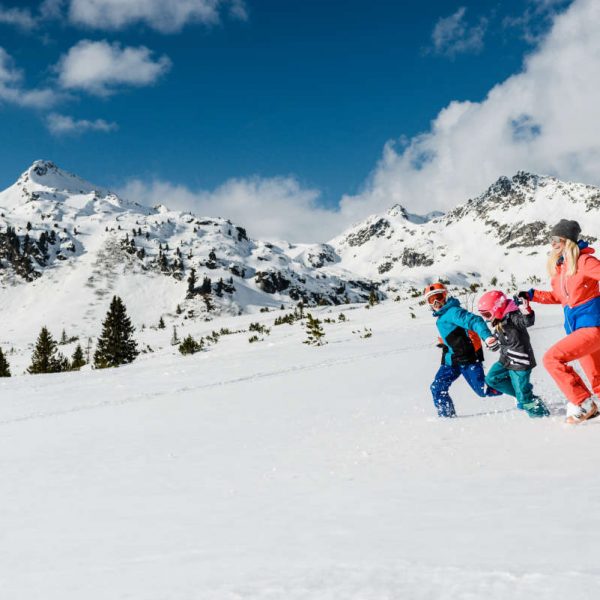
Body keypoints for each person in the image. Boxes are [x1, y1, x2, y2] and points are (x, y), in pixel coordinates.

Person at [520, 219, 600, 424]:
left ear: (569, 240)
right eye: (551, 239)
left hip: (591, 326)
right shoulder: (563, 267)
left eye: (558, 239)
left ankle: (582, 402)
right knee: (597, 379)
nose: (553, 243)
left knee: (552, 359)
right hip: (578, 328)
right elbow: (560, 297)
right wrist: (532, 295)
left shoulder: (584, 261)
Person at [426, 282, 501, 418]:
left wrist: (487, 337)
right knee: (437, 388)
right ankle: (447, 418)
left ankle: (515, 387)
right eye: (431, 300)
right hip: (451, 360)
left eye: (438, 297)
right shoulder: (442, 316)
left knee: (483, 390)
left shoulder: (453, 312)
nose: (436, 302)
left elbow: (475, 321)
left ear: (445, 295)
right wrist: (447, 343)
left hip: (468, 359)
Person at [477, 290, 549, 418]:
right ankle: (526, 397)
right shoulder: (499, 319)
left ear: (497, 308)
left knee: (524, 399)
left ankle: (540, 414)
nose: (486, 318)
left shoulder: (513, 316)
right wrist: (492, 343)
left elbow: (527, 321)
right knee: (491, 379)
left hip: (520, 362)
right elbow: (502, 339)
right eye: (483, 315)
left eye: (487, 314)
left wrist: (525, 310)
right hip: (506, 359)